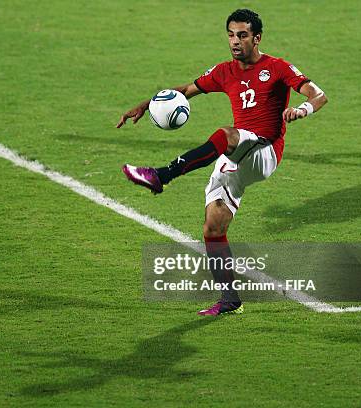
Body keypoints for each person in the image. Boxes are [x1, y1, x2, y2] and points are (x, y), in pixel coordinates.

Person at [116, 9, 328, 316]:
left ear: (257, 38)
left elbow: (318, 95)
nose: (235, 41)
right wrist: (146, 104)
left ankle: (161, 175)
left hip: (264, 151)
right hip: (237, 158)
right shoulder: (224, 71)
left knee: (225, 135)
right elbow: (187, 91)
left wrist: (302, 110)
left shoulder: (277, 68)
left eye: (242, 35)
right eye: (231, 34)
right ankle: (230, 300)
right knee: (213, 228)